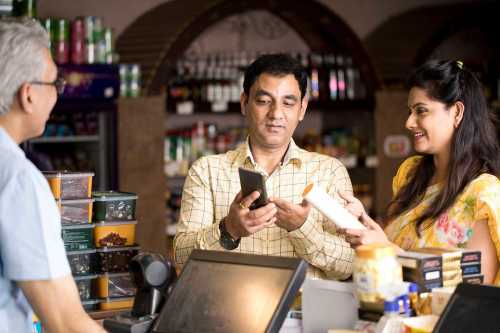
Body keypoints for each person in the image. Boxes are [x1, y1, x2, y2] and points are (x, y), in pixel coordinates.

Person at [174, 53, 354, 279]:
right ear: (244, 103)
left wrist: (302, 229)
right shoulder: (207, 171)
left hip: (306, 312)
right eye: (263, 101)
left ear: (302, 109)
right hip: (229, 310)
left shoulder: (329, 171)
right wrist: (229, 230)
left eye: (288, 103)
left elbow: (349, 264)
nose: (276, 114)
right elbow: (180, 256)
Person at [341, 59, 500, 284]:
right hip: (390, 314)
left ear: (457, 112)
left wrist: (385, 249)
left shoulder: (484, 193)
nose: (408, 122)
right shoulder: (410, 174)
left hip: (443, 319)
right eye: (410, 111)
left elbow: (475, 289)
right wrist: (364, 225)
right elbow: (393, 246)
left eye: (421, 111)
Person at [0, 18, 106, 332]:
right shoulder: (18, 180)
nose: (57, 95)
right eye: (55, 84)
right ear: (28, 94)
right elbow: (65, 323)